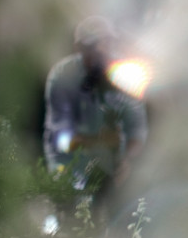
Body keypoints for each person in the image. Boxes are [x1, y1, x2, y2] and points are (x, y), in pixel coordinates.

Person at [43, 16, 148, 197]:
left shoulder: (123, 75)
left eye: (105, 43)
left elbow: (136, 128)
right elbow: (61, 138)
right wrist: (100, 141)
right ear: (79, 48)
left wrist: (126, 159)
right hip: (69, 169)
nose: (101, 51)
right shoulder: (63, 76)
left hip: (110, 172)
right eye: (93, 46)